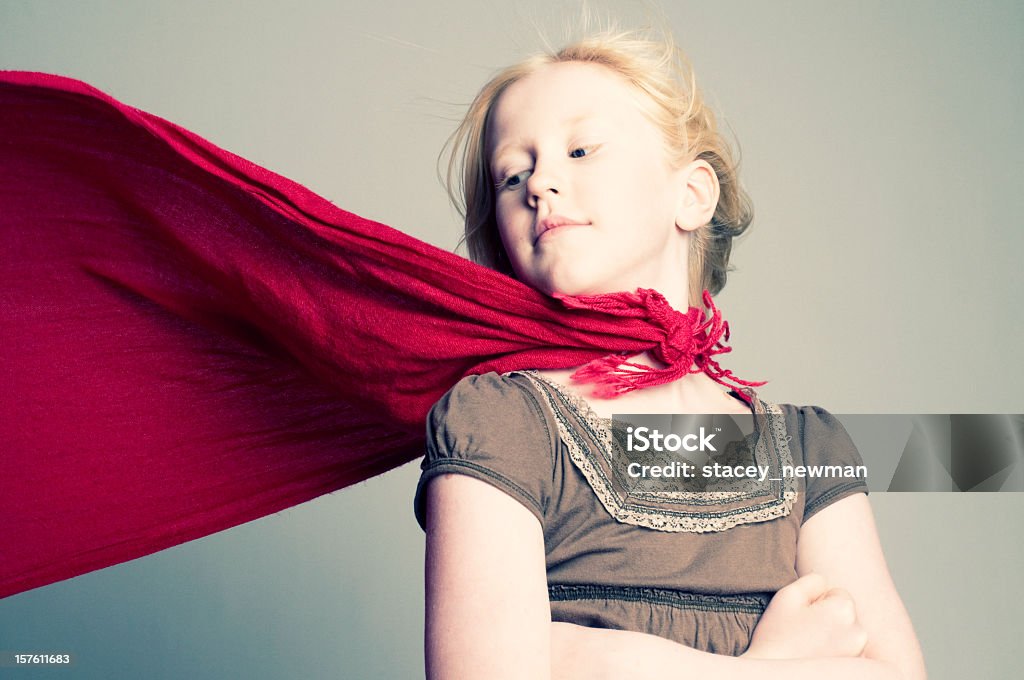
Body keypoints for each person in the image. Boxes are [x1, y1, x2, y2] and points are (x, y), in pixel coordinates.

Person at [412, 24, 927, 680]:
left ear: (691, 194)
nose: (539, 184)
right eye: (513, 174)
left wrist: (590, 658)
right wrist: (771, 667)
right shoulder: (499, 422)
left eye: (579, 149)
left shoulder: (809, 450)